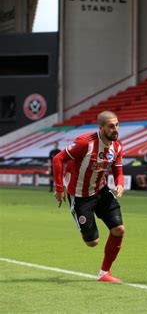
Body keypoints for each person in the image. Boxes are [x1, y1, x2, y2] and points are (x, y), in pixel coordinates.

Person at [52, 111, 125, 283]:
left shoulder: (117, 147)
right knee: (92, 242)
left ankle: (104, 273)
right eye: (111, 126)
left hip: (101, 190)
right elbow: (58, 159)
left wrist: (120, 183)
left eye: (117, 125)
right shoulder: (85, 143)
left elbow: (118, 169)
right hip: (80, 196)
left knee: (119, 229)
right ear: (101, 128)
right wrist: (59, 188)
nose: (115, 129)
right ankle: (82, 223)